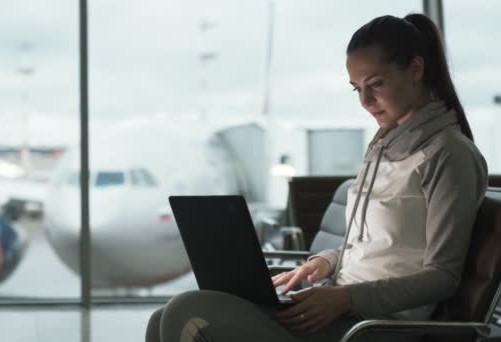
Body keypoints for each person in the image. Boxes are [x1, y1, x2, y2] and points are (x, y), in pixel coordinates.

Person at [145, 13, 488, 342]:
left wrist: (345, 299)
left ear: (415, 69)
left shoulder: (449, 155)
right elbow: (376, 248)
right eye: (357, 88)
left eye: (376, 84)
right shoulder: (383, 147)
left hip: (375, 327)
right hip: (339, 309)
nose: (366, 101)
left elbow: (442, 278)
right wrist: (326, 262)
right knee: (162, 317)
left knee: (185, 312)